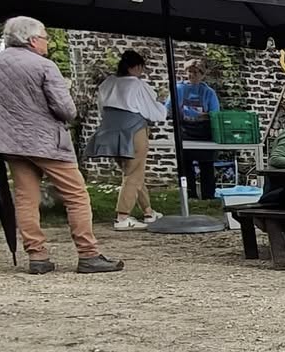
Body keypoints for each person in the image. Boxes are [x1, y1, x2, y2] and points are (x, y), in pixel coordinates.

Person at [0, 17, 122, 276]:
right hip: (45, 141)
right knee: (76, 195)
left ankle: (37, 255)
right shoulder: (44, 66)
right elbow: (66, 109)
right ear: (32, 40)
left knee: (25, 197)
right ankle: (88, 254)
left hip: (11, 142)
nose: (48, 41)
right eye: (45, 36)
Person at [89, 49, 168, 230]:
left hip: (110, 129)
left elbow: (102, 108)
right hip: (133, 130)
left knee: (132, 172)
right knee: (133, 173)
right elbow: (153, 111)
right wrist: (162, 110)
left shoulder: (107, 83)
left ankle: (148, 211)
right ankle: (123, 216)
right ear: (136, 67)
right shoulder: (137, 84)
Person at [173, 58, 223, 201]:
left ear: (202, 74)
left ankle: (208, 195)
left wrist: (202, 116)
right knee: (186, 164)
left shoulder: (208, 93)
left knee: (206, 164)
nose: (192, 75)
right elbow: (169, 108)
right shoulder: (178, 89)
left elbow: (215, 114)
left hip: (203, 132)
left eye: (195, 72)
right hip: (185, 131)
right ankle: (189, 195)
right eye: (190, 72)